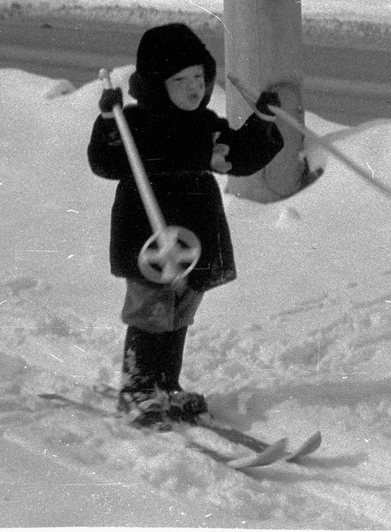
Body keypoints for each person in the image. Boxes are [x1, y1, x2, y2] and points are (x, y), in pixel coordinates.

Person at [88, 23, 284, 429]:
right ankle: (138, 390)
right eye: (180, 80)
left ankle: (166, 385)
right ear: (158, 85)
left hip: (193, 234)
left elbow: (242, 157)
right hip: (151, 235)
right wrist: (109, 121)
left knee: (180, 311)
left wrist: (261, 122)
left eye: (199, 76)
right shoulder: (136, 123)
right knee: (150, 310)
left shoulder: (205, 124)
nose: (194, 87)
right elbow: (107, 162)